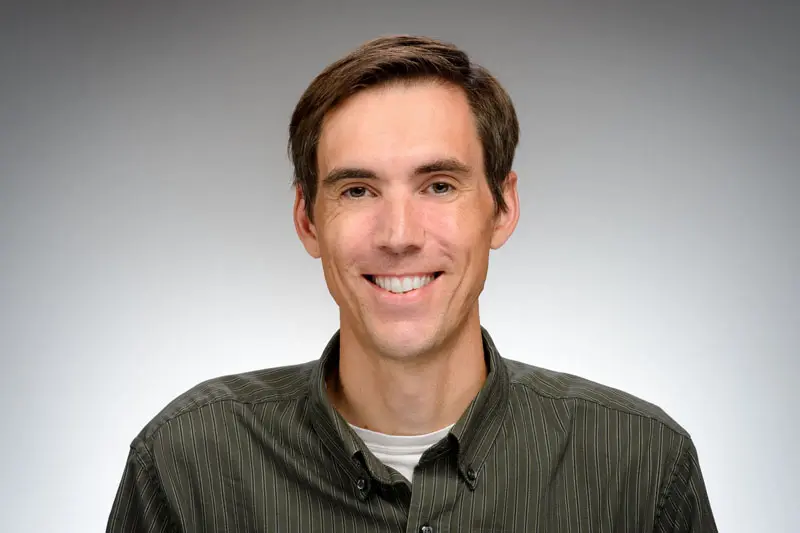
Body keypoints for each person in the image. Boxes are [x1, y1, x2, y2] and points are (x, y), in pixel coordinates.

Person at [107, 35, 718, 532]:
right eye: (357, 190)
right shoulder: (186, 462)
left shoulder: (641, 466)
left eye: (439, 185)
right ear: (307, 220)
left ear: (502, 209)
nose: (398, 235)